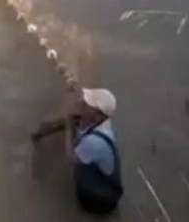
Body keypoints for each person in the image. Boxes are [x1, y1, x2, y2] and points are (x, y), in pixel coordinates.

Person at [31, 87, 123, 215]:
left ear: (98, 115)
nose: (83, 103)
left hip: (102, 201)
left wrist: (69, 129)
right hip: (105, 179)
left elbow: (71, 157)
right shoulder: (101, 121)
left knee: (78, 162)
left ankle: (89, 202)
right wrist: (44, 131)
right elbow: (73, 122)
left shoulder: (95, 142)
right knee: (80, 142)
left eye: (88, 104)